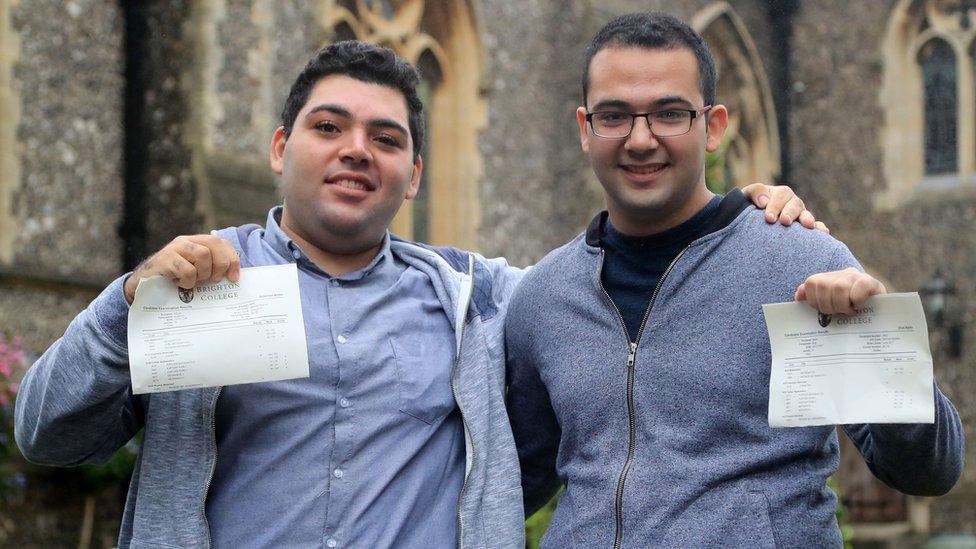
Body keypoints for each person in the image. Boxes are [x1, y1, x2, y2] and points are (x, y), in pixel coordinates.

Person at [16, 40, 826, 548]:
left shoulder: (483, 298)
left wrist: (732, 211)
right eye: (328, 128)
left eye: (387, 138)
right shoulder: (196, 278)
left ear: (414, 177)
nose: (356, 151)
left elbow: (613, 274)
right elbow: (46, 434)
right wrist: (124, 303)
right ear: (278, 147)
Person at [504, 12, 965, 549]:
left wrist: (879, 342)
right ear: (586, 130)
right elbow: (513, 482)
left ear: (715, 125)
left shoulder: (800, 263)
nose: (640, 139)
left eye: (670, 114)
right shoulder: (543, 297)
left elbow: (930, 471)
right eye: (614, 116)